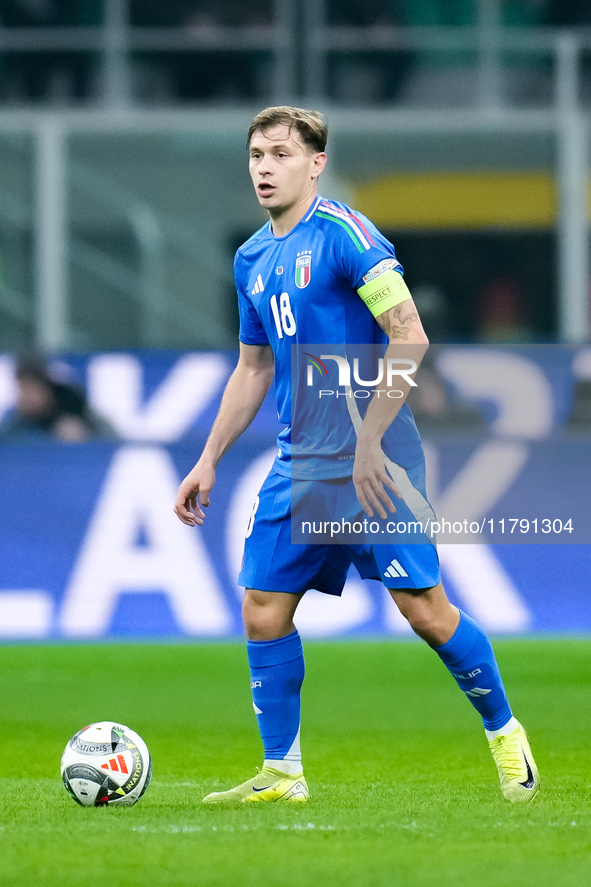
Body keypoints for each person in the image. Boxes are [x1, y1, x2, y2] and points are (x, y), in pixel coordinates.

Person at [174, 106, 539, 804]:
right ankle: (282, 772)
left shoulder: (345, 234)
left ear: (315, 163)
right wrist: (209, 457)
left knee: (423, 610)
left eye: (280, 154)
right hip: (301, 461)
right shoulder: (251, 256)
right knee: (262, 607)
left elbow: (409, 334)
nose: (263, 166)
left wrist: (370, 438)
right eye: (255, 154)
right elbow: (253, 367)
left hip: (375, 456)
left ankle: (504, 734)